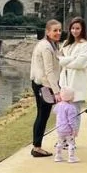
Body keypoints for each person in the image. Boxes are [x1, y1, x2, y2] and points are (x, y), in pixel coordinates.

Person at [30, 20, 63, 157]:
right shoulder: (46, 47)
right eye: (55, 30)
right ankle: (37, 147)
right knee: (42, 116)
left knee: (42, 115)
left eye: (60, 30)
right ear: (47, 31)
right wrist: (56, 92)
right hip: (43, 85)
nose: (58, 33)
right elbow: (49, 71)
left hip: (44, 83)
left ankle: (37, 146)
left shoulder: (52, 45)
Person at [58, 16, 87, 134]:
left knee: (74, 112)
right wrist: (71, 59)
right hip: (65, 83)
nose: (75, 31)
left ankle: (72, 137)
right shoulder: (66, 44)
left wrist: (65, 61)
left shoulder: (85, 45)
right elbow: (59, 58)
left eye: (77, 28)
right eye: (73, 28)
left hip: (77, 84)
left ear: (82, 29)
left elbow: (80, 63)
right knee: (64, 112)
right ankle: (64, 136)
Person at [53, 88, 80, 163]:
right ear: (72, 97)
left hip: (60, 128)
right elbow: (72, 121)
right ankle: (71, 157)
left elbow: (54, 111)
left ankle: (58, 156)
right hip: (68, 130)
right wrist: (74, 130)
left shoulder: (58, 105)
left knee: (60, 142)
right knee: (71, 143)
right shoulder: (71, 108)